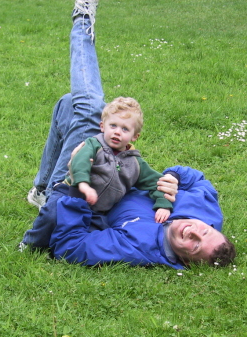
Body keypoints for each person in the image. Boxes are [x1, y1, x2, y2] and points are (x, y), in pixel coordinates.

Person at [20, 0, 236, 269]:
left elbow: (72, 247)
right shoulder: (206, 212)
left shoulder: (140, 247)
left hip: (78, 190)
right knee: (69, 103)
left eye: (195, 245)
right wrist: (174, 176)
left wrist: (76, 191)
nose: (192, 232)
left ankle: (82, 21)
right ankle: (41, 190)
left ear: (186, 261)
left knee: (88, 110)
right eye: (204, 232)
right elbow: (199, 181)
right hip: (116, 169)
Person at [66, 95, 172, 225]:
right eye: (113, 126)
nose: (117, 132)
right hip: (69, 193)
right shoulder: (94, 145)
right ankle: (34, 239)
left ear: (135, 136)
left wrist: (163, 205)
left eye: (125, 129)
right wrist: (83, 185)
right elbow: (80, 161)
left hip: (98, 211)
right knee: (51, 216)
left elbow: (157, 183)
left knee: (97, 235)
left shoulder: (135, 164)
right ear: (102, 126)